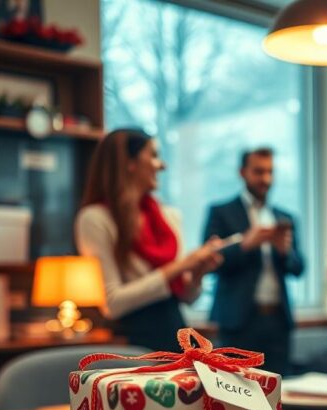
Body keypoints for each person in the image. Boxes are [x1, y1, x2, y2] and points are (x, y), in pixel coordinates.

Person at [76, 128, 222, 350]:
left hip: (178, 337)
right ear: (129, 163)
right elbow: (112, 303)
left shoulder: (169, 216)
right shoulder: (95, 219)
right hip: (133, 345)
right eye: (154, 155)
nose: (162, 165)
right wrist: (182, 265)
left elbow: (186, 298)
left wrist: (197, 273)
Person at [203, 147, 304, 375]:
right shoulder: (221, 212)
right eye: (259, 172)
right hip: (238, 322)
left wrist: (284, 251)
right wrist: (245, 244)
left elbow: (299, 268)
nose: (266, 179)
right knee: (235, 392)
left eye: (270, 172)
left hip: (278, 322)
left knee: (280, 393)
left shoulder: (285, 217)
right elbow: (209, 261)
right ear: (242, 172)